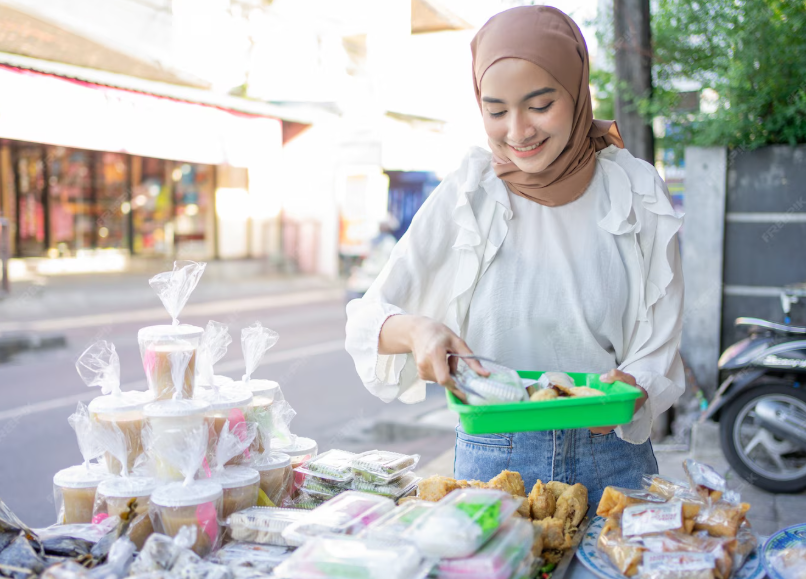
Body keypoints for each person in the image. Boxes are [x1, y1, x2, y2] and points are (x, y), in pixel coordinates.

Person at [344, 5, 684, 507]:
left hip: (611, 454)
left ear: (577, 91)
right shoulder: (469, 193)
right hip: (493, 455)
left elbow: (662, 337)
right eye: (496, 111)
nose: (518, 131)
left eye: (540, 104)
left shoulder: (636, 190)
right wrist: (418, 331)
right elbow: (366, 320)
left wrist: (632, 388)